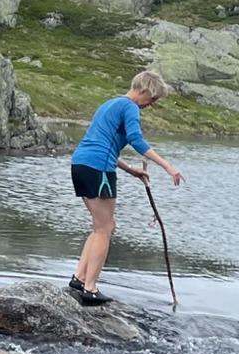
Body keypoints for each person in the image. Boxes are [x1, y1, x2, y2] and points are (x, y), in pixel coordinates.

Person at [66, 70, 185, 305]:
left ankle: (79, 278)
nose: (150, 105)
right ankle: (90, 289)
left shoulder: (109, 104)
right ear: (144, 91)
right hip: (98, 168)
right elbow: (136, 139)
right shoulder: (129, 106)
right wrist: (168, 166)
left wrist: (130, 169)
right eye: (152, 99)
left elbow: (101, 143)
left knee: (102, 226)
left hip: (81, 164)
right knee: (105, 228)